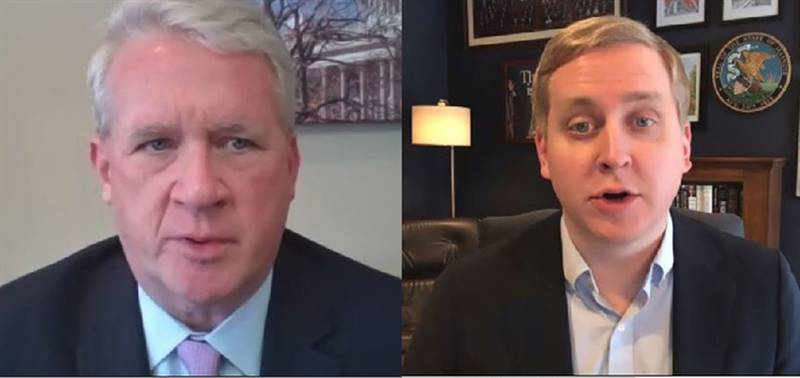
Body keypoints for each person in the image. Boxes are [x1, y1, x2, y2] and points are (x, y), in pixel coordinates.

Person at [0, 0, 398, 375]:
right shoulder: (14, 339)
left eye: (237, 143)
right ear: (106, 171)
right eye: (157, 144)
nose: (200, 191)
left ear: (290, 167)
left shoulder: (390, 335)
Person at [404, 15, 800, 375]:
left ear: (683, 147)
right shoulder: (464, 297)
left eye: (643, 121)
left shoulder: (765, 287)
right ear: (544, 152)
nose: (613, 155)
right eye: (580, 126)